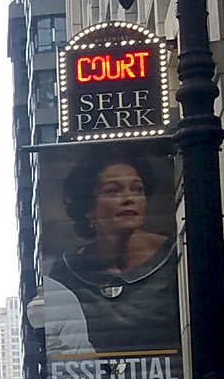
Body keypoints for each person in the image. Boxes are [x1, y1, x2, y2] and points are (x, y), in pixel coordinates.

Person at [46, 149, 181, 356]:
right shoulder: (64, 271)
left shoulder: (175, 254)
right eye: (113, 191)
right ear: (88, 208)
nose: (129, 199)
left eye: (137, 189)